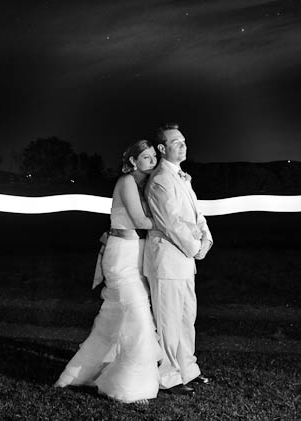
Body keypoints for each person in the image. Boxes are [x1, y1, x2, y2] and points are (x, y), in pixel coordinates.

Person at [54, 139, 163, 404]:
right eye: (147, 157)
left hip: (133, 254)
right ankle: (129, 388)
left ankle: (73, 376)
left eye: (153, 157)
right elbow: (139, 221)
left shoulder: (142, 184)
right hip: (120, 256)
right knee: (138, 317)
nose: (153, 161)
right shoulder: (126, 182)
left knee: (111, 321)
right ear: (133, 161)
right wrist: (168, 223)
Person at [144, 123, 214, 395]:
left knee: (187, 319)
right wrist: (195, 245)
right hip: (167, 260)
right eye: (176, 142)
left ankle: (188, 369)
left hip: (185, 260)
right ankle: (169, 376)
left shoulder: (182, 177)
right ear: (162, 148)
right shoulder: (161, 179)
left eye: (184, 141)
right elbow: (171, 222)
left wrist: (206, 240)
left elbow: (197, 215)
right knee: (169, 322)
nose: (183, 146)